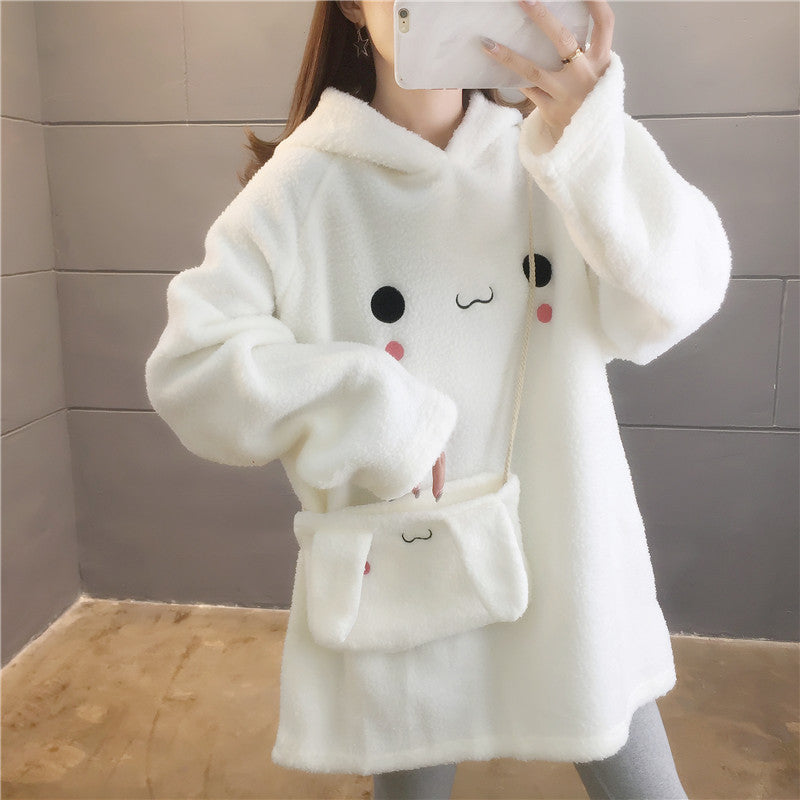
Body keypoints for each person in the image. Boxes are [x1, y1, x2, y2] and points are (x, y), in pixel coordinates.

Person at [145, 1, 731, 797]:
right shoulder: (305, 186)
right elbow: (193, 367)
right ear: (353, 6)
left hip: (574, 562)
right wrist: (373, 413)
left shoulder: (556, 156)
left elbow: (678, 296)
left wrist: (595, 138)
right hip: (410, 568)